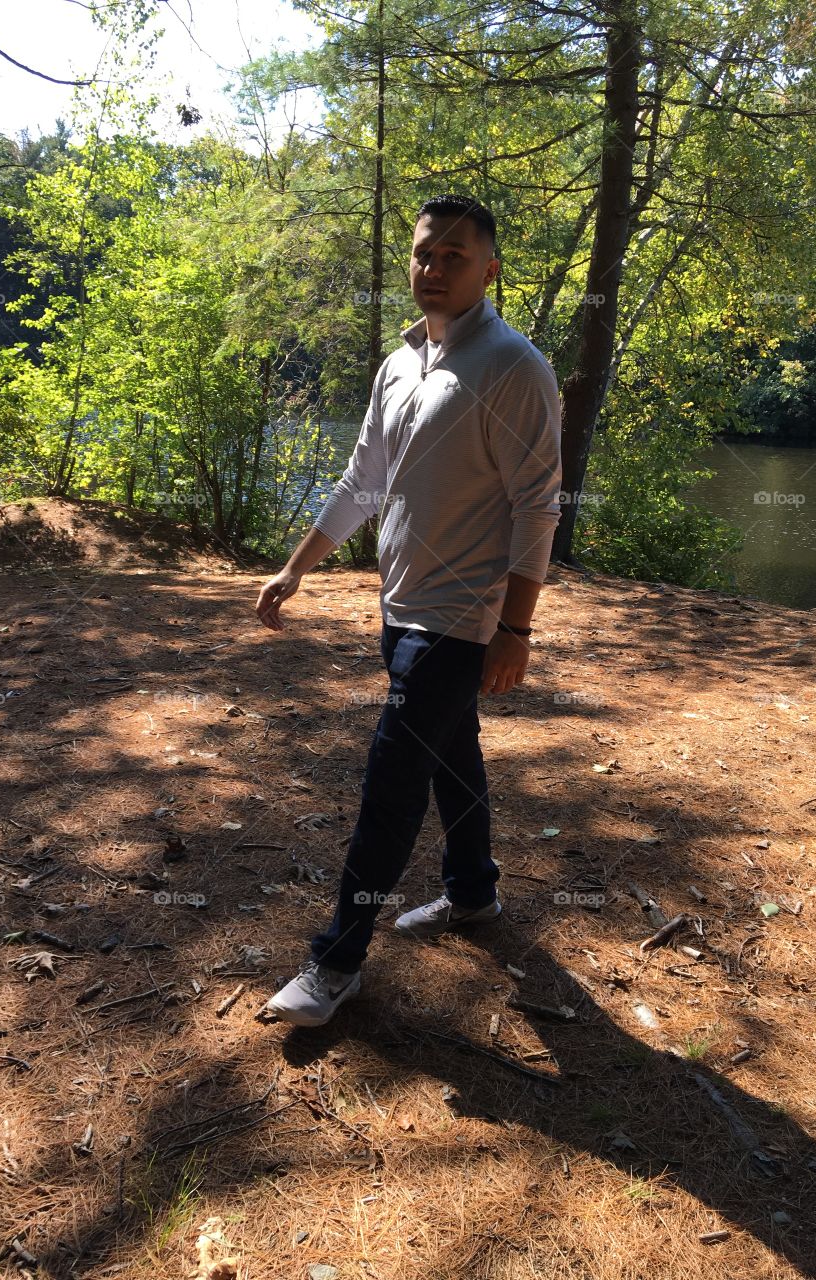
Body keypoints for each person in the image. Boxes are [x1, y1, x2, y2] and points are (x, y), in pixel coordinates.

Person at [254, 194, 563, 1026]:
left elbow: (539, 506)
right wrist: (295, 570)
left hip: (462, 622)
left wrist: (516, 628)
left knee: (393, 780)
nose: (434, 269)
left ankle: (336, 961)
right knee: (453, 755)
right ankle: (473, 896)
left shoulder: (514, 367)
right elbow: (362, 482)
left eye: (455, 256)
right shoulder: (400, 364)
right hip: (400, 606)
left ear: (490, 268)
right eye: (425, 254)